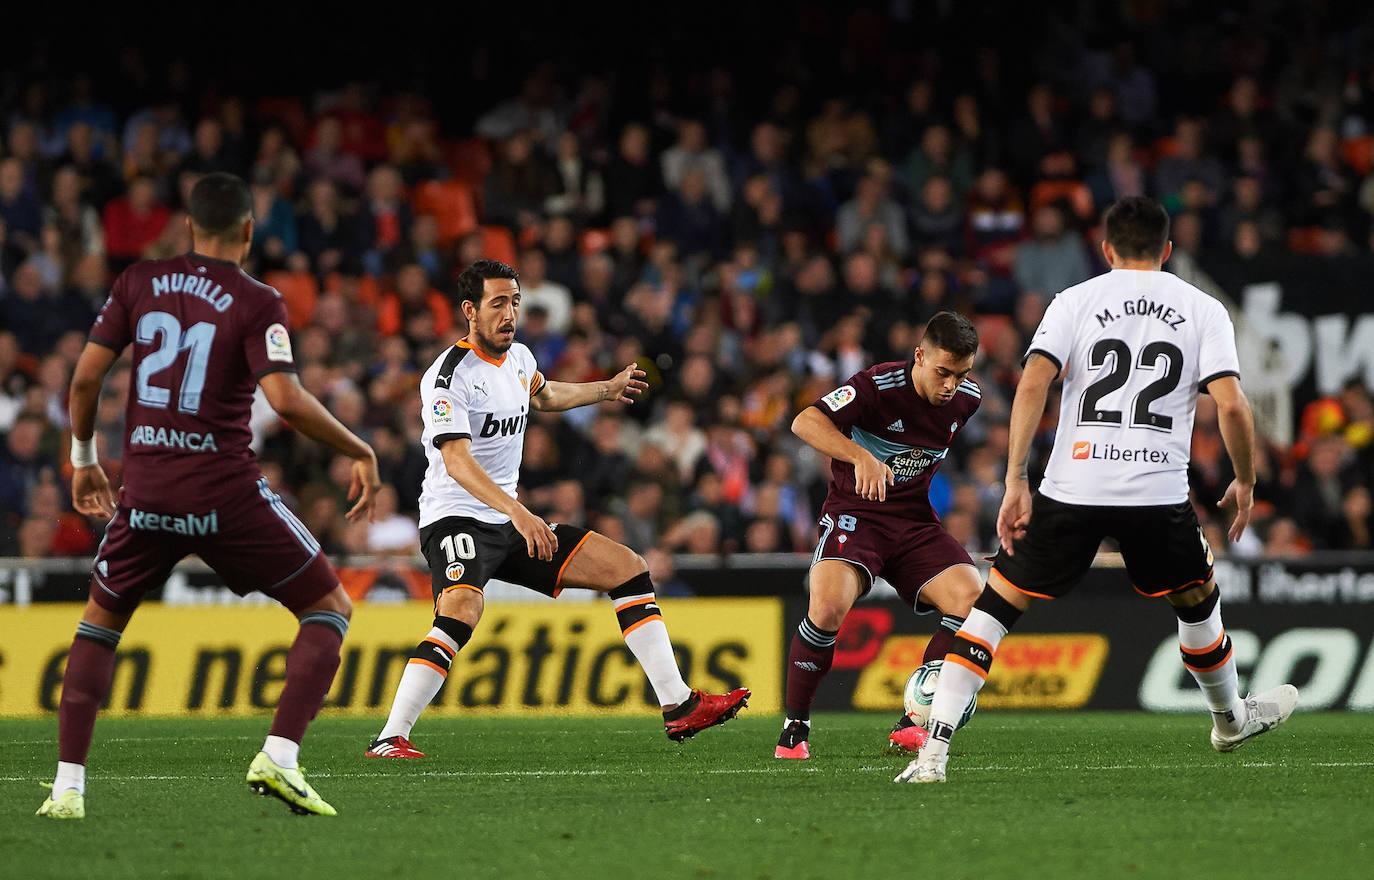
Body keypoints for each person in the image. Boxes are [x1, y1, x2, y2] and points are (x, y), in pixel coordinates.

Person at [897, 197, 1299, 785]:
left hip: (1071, 487)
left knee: (995, 610)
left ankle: (933, 753)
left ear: (1107, 249)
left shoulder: (1075, 299)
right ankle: (1229, 718)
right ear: (1166, 251)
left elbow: (1035, 379)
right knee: (1196, 599)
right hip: (1156, 495)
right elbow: (1233, 404)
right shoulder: (1202, 308)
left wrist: (1015, 480)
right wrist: (1245, 478)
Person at [37, 172, 382, 819]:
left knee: (98, 624)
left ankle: (67, 789)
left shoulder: (137, 283)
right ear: (250, 232)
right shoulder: (257, 300)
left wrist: (83, 459)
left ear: (188, 228)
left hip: (145, 496)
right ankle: (279, 758)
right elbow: (283, 399)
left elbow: (85, 380)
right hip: (226, 495)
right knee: (329, 606)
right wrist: (358, 448)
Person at [364, 259, 749, 759]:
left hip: (509, 518)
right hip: (456, 517)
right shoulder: (448, 376)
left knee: (627, 569)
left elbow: (543, 396)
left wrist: (604, 390)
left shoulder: (521, 358)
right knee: (462, 607)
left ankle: (678, 705)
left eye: (515, 303)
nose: (509, 314)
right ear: (469, 311)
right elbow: (456, 461)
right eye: (497, 303)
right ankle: (390, 736)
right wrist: (521, 514)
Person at [776, 311, 985, 760]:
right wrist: (860, 457)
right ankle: (795, 726)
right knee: (827, 607)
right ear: (919, 356)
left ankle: (915, 719)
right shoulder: (877, 385)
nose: (950, 385)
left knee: (972, 601)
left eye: (961, 374)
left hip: (914, 523)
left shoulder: (968, 399)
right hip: (857, 515)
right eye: (942, 372)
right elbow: (804, 422)